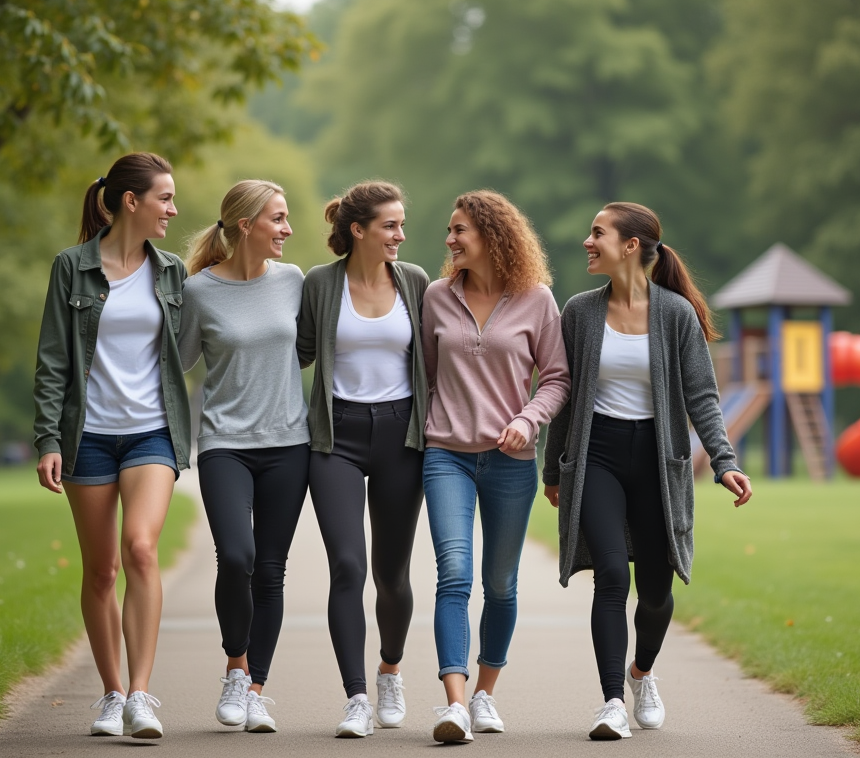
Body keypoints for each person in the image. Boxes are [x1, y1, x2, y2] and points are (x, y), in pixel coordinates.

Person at [542, 202, 753, 740]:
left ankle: (642, 674)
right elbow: (564, 396)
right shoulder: (579, 312)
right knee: (612, 576)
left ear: (631, 246)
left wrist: (724, 462)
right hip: (598, 457)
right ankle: (612, 700)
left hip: (659, 463)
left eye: (598, 234)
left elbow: (703, 397)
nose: (587, 242)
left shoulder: (675, 315)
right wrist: (554, 469)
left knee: (656, 590)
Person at [33, 152, 190, 740]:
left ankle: (142, 696)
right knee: (101, 570)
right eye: (165, 199)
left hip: (152, 431)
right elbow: (52, 361)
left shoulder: (171, 271)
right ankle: (111, 692)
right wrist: (48, 438)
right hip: (88, 437)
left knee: (141, 548)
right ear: (132, 202)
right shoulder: (70, 268)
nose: (173, 210)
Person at [422, 190, 570, 743]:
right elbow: (429, 376)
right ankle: (455, 704)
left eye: (460, 230)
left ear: (492, 236)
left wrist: (528, 420)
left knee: (501, 584)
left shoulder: (537, 300)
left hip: (512, 463)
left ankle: (486, 694)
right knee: (454, 575)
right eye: (450, 230)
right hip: (446, 458)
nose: (451, 240)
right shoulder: (437, 297)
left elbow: (556, 377)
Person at [297, 181, 429, 738]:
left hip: (402, 436)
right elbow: (293, 351)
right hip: (336, 438)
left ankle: (390, 670)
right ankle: (355, 697)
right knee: (348, 566)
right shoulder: (320, 284)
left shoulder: (416, 282)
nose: (401, 235)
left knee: (391, 573)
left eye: (401, 225)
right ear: (359, 230)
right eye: (391, 225)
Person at [178, 179, 310, 735]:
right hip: (224, 442)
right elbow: (174, 362)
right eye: (277, 219)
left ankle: (255, 687)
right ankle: (235, 667)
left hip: (288, 443)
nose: (287, 229)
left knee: (271, 570)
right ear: (244, 225)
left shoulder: (294, 281)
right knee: (236, 556)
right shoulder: (199, 291)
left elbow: (310, 349)